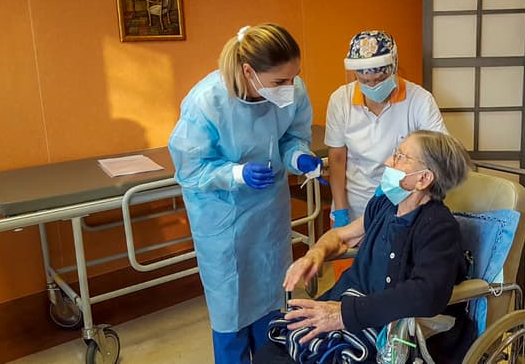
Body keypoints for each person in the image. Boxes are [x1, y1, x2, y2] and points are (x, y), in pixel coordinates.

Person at [168, 23, 324, 364]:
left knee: (272, 294)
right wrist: (235, 173)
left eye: (294, 77)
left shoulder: (292, 92)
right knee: (230, 305)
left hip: (268, 212)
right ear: (249, 71)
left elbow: (291, 136)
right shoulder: (207, 102)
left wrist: (298, 156)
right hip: (222, 218)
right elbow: (191, 169)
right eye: (280, 81)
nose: (291, 87)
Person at [254, 130, 475, 364]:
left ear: (423, 179)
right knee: (270, 353)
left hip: (384, 327)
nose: (388, 162)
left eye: (401, 157)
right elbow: (341, 237)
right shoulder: (385, 205)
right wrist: (314, 253)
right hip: (349, 304)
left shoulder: (438, 227)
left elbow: (426, 294)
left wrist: (343, 315)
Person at [325, 30, 448, 230]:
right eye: (364, 81)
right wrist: (340, 210)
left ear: (394, 68)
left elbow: (440, 154)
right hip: (354, 206)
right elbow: (337, 157)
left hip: (405, 205)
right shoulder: (340, 100)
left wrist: (398, 188)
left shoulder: (419, 100)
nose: (372, 86)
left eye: (380, 79)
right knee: (351, 261)